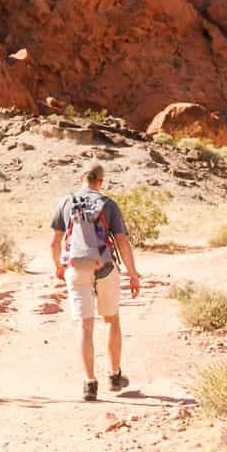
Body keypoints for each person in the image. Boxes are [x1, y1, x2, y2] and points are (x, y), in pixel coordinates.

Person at [50, 163, 141, 401]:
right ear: (101, 181)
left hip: (76, 266)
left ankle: (89, 384)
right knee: (111, 320)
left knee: (85, 325)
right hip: (105, 266)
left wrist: (59, 267)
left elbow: (54, 242)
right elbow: (122, 242)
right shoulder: (108, 204)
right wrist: (133, 273)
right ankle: (114, 375)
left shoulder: (66, 202)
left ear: (82, 178)